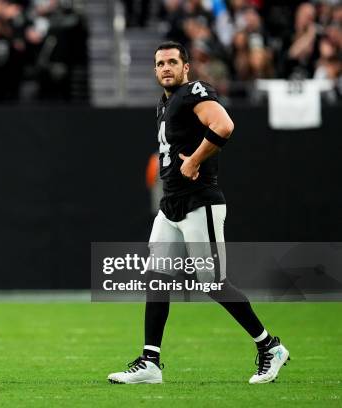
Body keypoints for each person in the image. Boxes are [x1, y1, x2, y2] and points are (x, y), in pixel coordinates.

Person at [107, 41, 290, 385]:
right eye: (160, 63)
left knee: (213, 282)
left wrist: (193, 160)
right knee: (157, 277)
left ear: (186, 67)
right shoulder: (165, 104)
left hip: (198, 201)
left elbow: (224, 125)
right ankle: (150, 362)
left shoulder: (194, 91)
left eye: (172, 62)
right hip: (172, 204)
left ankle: (270, 347)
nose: (165, 68)